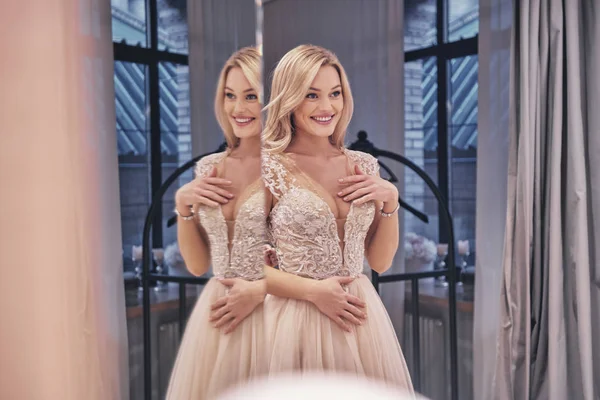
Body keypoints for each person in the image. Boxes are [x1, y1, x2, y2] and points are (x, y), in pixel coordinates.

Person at [261, 44, 414, 393]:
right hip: (294, 320)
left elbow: (379, 260)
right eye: (311, 95)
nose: (327, 107)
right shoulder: (267, 167)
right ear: (290, 98)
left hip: (359, 317)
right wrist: (315, 291)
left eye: (335, 93)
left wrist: (390, 200)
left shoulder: (363, 165)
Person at [166, 47, 267, 399]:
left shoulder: (291, 165)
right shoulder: (210, 168)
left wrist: (257, 292)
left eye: (251, 96)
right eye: (230, 96)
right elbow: (197, 266)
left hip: (275, 313)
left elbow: (311, 258)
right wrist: (183, 205)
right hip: (219, 317)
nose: (238, 109)